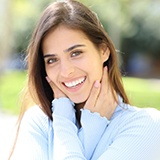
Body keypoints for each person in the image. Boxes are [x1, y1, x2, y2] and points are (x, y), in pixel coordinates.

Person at [9, 0, 160, 159]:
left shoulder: (146, 125)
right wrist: (91, 127)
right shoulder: (38, 122)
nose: (66, 72)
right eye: (52, 60)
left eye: (76, 53)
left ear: (103, 51)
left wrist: (64, 121)